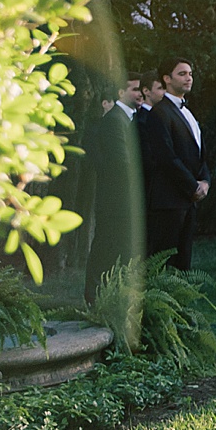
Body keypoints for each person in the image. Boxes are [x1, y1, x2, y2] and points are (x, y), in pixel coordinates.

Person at [81, 75, 146, 301]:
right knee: (107, 248)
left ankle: (113, 295)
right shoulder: (115, 121)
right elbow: (120, 163)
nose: (140, 94)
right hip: (115, 200)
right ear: (120, 93)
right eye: (135, 89)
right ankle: (96, 297)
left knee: (119, 249)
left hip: (123, 200)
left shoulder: (129, 119)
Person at [142, 57, 209, 271]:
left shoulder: (187, 112)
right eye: (182, 74)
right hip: (168, 201)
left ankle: (181, 305)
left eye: (190, 73)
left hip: (188, 201)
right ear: (167, 79)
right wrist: (192, 186)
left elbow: (200, 153)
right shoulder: (159, 113)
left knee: (183, 262)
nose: (188, 78)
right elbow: (166, 157)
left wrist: (205, 180)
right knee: (165, 263)